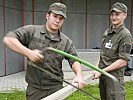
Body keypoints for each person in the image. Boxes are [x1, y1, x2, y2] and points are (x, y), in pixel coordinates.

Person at [3, 2, 84, 100]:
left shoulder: (66, 41)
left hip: (56, 88)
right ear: (47, 15)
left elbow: (74, 59)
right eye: (55, 16)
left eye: (61, 18)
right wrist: (28, 52)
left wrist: (79, 75)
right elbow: (8, 39)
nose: (57, 21)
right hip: (35, 90)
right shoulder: (32, 31)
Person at [93, 2, 132, 100]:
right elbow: (102, 54)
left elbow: (123, 61)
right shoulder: (107, 32)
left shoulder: (125, 35)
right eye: (112, 14)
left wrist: (102, 71)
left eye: (117, 14)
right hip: (103, 77)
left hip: (114, 79)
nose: (114, 17)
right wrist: (96, 67)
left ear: (124, 15)